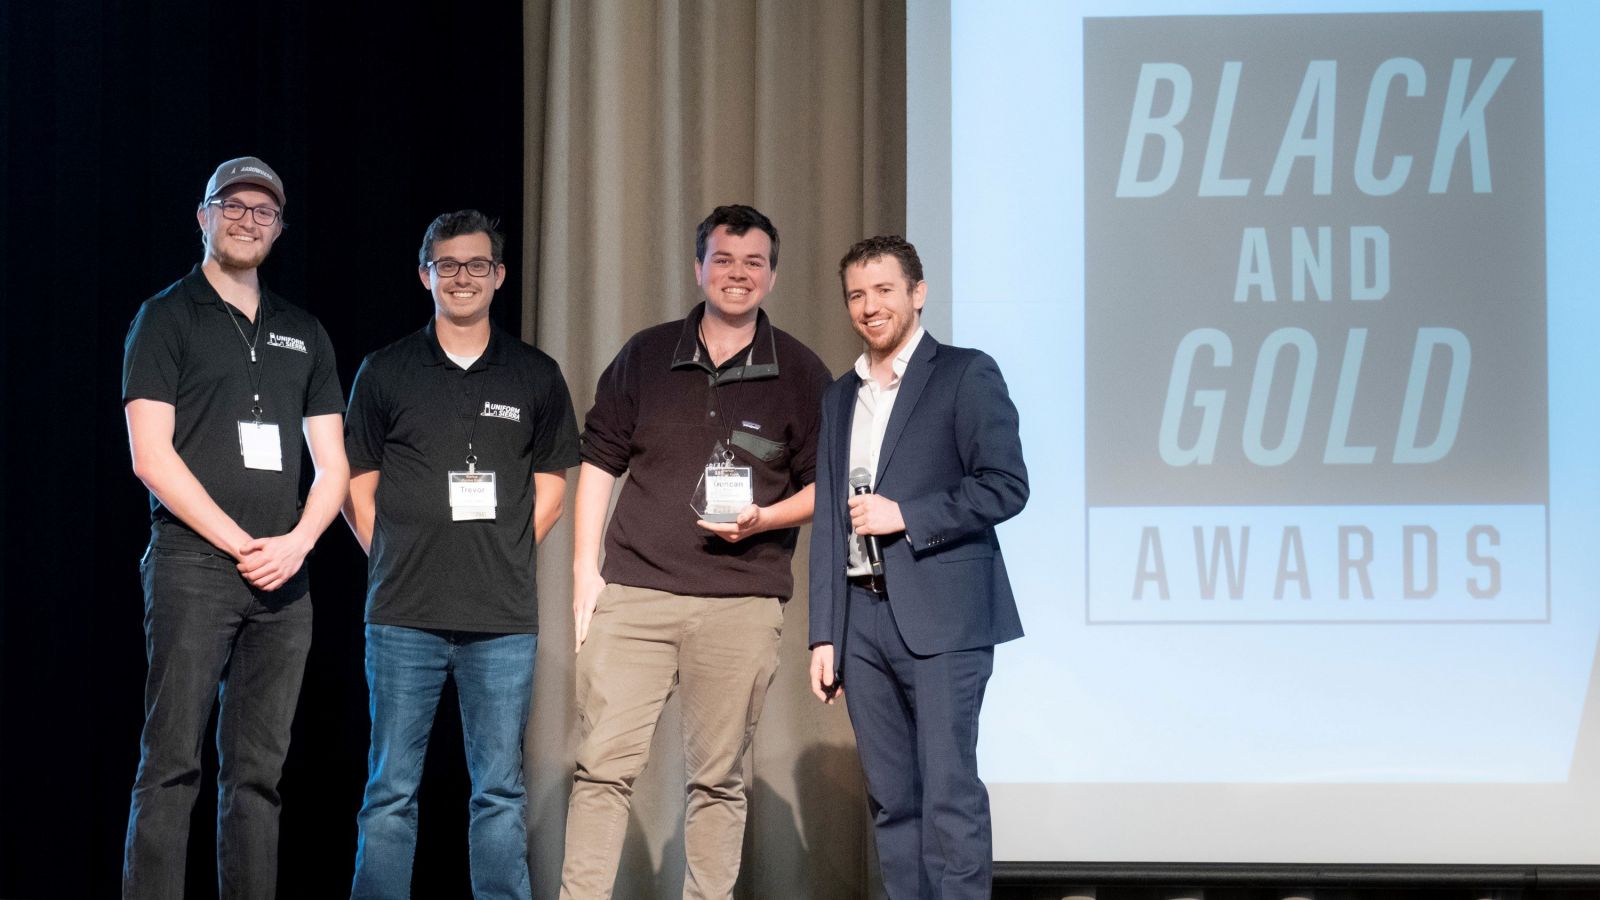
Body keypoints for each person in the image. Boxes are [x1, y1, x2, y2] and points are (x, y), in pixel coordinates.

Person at [560, 205, 832, 899]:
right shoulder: (646, 355)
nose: (736, 275)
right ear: (698, 268)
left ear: (771, 275)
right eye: (723, 260)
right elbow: (597, 463)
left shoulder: (801, 371)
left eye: (752, 263)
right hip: (636, 595)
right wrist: (584, 575)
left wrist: (765, 515)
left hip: (740, 602)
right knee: (602, 770)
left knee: (718, 780)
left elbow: (822, 488)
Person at [121, 156, 350, 898]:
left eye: (264, 212)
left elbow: (334, 465)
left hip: (285, 577)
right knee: (172, 764)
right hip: (194, 564)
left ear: (279, 228)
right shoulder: (165, 316)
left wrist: (298, 543)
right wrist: (239, 542)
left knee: (258, 776)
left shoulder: (303, 332)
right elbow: (151, 457)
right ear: (203, 215)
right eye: (234, 206)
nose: (248, 221)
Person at [342, 209, 580, 899]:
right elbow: (359, 486)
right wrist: (398, 553)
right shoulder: (385, 370)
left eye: (477, 265)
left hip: (501, 620)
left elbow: (551, 492)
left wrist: (494, 551)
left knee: (499, 793)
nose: (463, 278)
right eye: (448, 265)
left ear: (499, 276)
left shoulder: (535, 374)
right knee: (389, 792)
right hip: (402, 613)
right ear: (426, 274)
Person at [807, 235, 1028, 899]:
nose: (869, 307)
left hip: (944, 618)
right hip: (861, 620)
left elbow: (1006, 485)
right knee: (891, 801)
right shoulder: (839, 396)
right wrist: (824, 632)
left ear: (917, 294)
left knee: (949, 795)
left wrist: (910, 514)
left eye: (883, 290)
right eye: (856, 295)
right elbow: (828, 519)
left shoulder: (966, 374)